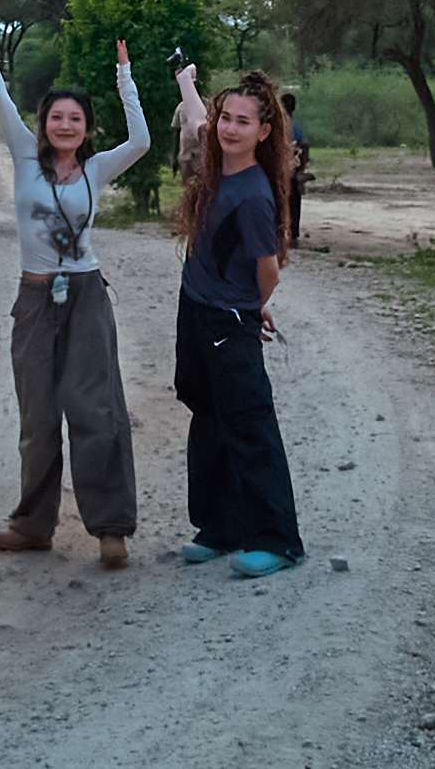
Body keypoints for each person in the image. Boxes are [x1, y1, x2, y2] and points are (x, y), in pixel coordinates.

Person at [0, 2, 149, 569]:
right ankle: (34, 524)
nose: (65, 125)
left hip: (86, 296)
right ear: (43, 122)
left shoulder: (98, 168)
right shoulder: (24, 157)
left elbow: (142, 141)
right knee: (37, 416)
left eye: (75, 119)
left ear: (85, 129)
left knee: (97, 409)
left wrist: (124, 78)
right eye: (56, 117)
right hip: (35, 299)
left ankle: (110, 528)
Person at [170, 59, 305, 580]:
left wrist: (251, 306)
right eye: (227, 118)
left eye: (242, 122)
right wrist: (186, 80)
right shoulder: (216, 157)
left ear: (263, 131)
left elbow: (267, 271)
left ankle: (277, 539)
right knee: (206, 416)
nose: (228, 127)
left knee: (250, 427)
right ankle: (220, 526)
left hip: (228, 322)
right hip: (196, 311)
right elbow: (197, 120)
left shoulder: (252, 195)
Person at [282, 90, 311, 246]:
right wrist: (302, 168)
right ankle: (293, 235)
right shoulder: (296, 126)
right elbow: (305, 145)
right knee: (294, 202)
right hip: (293, 170)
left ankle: (280, 234)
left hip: (279, 170)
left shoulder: (278, 125)